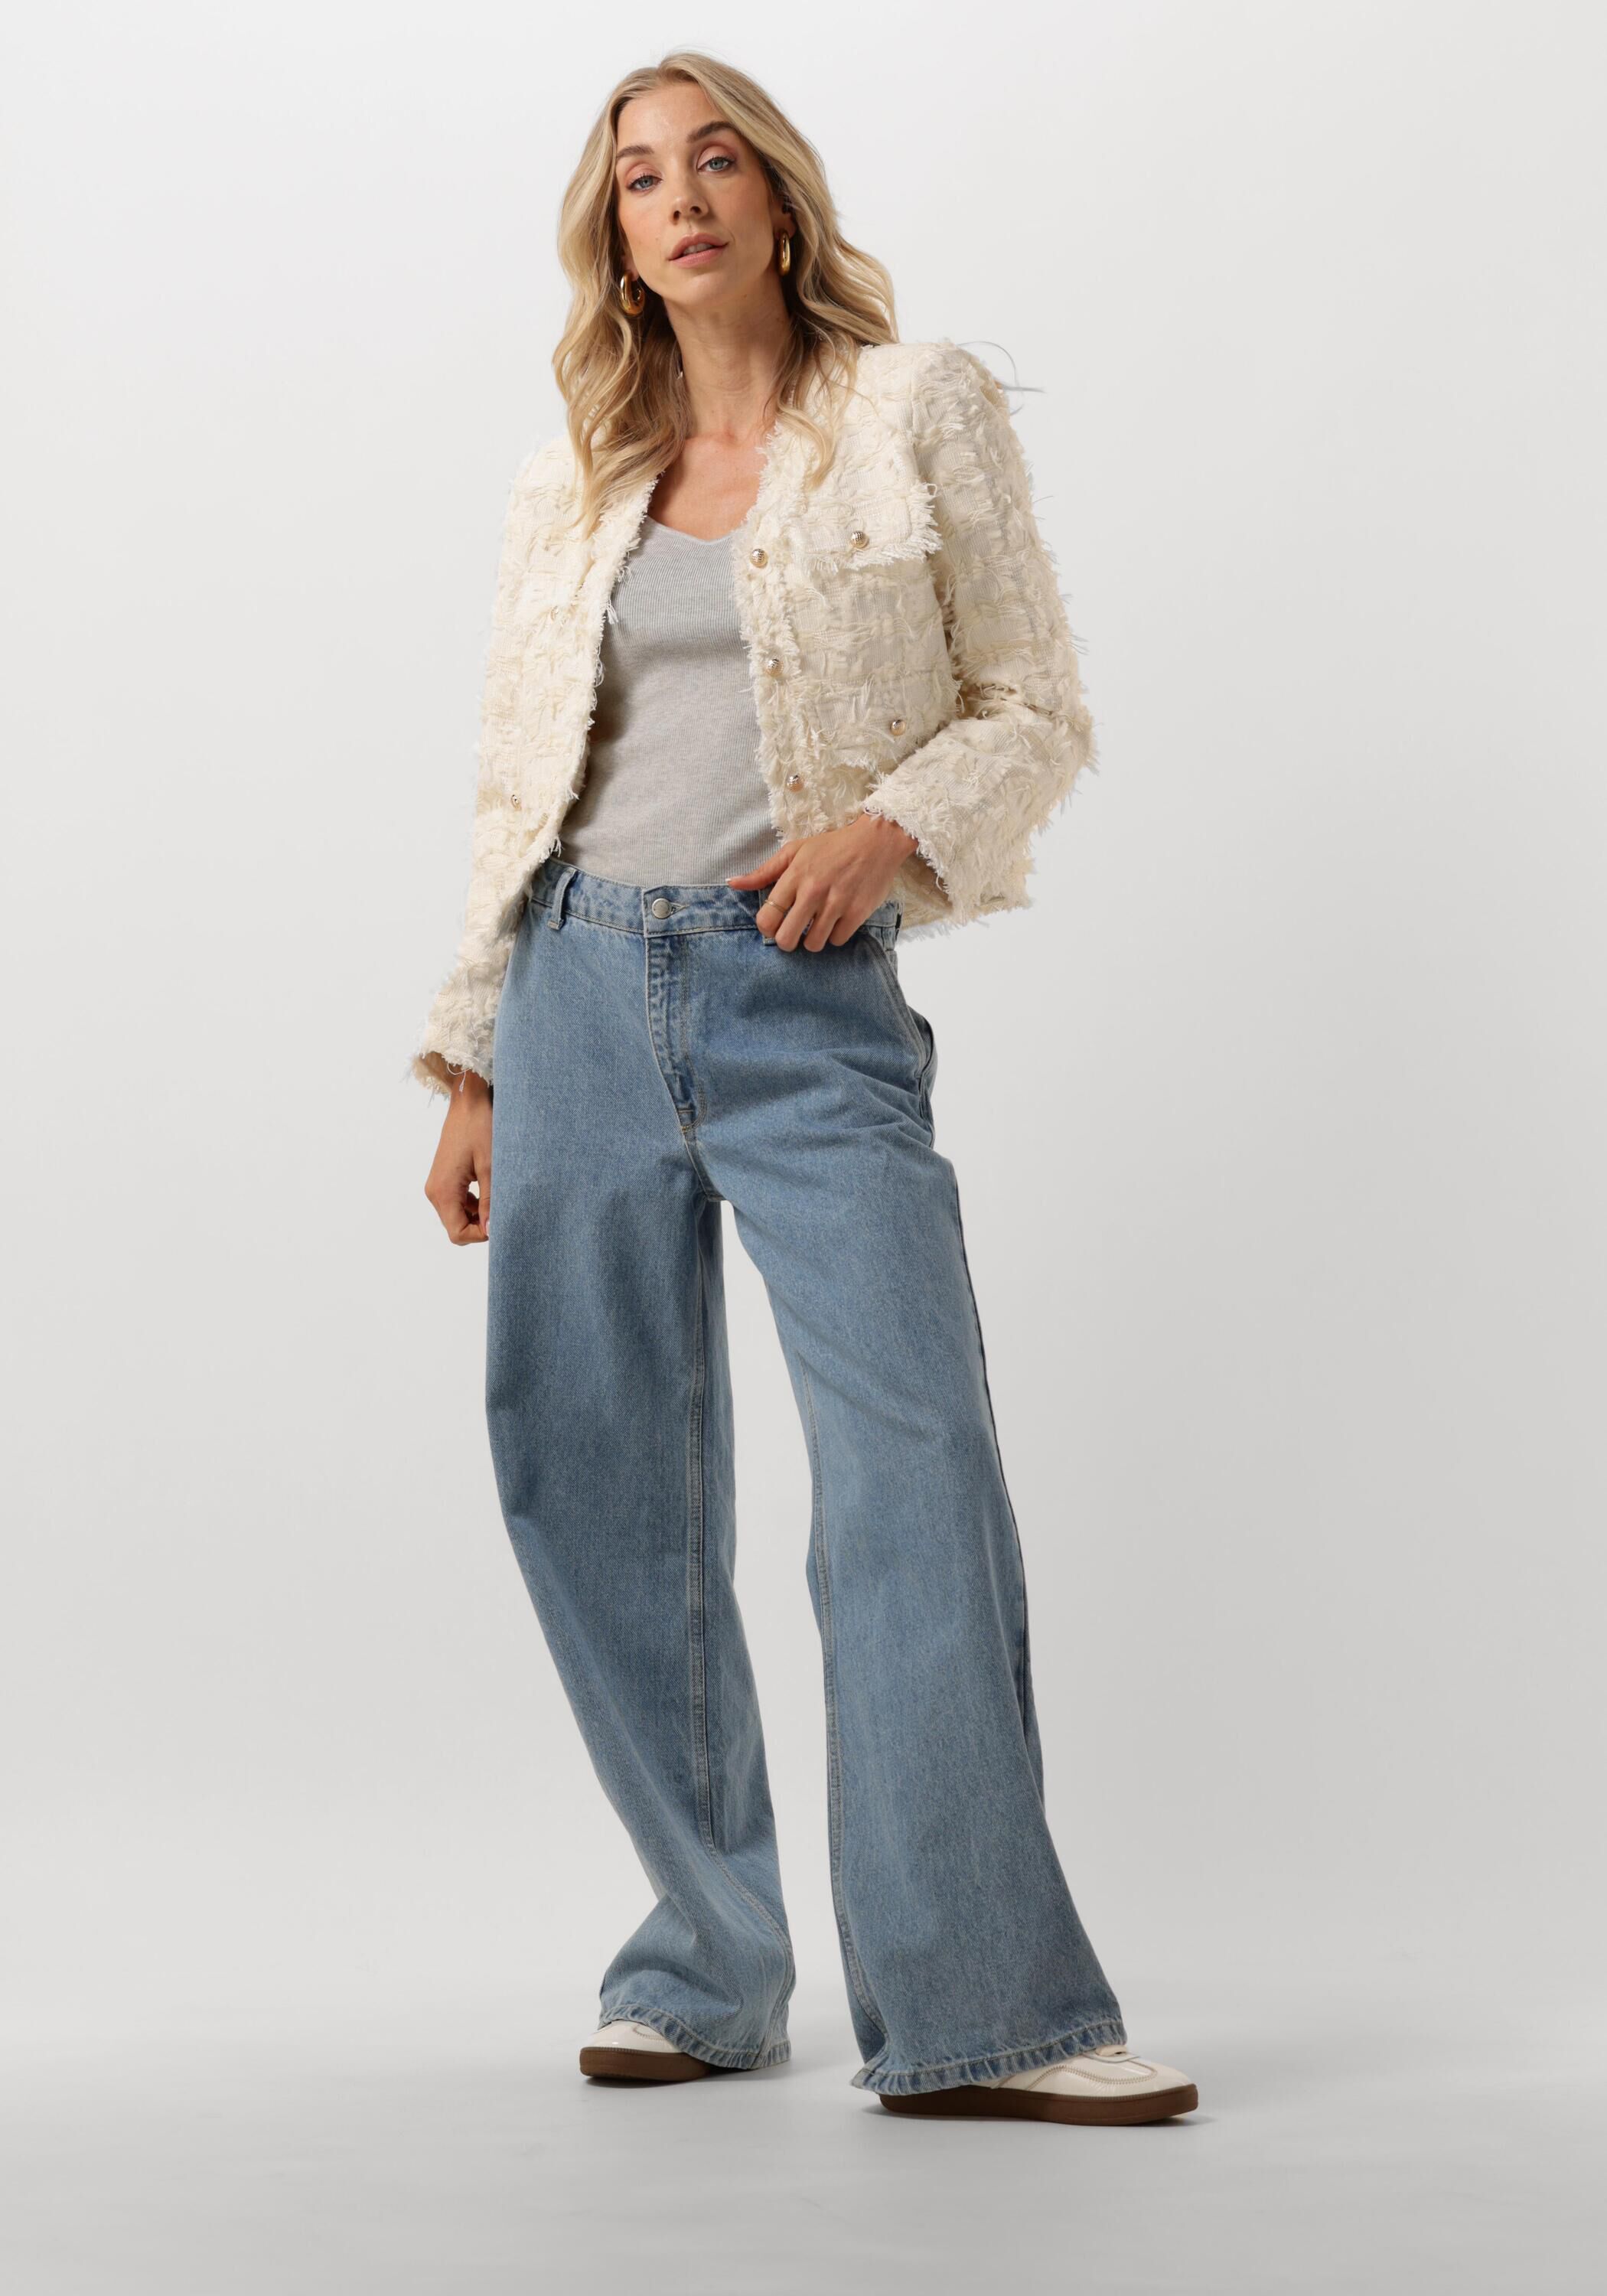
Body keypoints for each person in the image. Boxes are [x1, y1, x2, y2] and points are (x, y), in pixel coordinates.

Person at [412, 50, 1197, 2128]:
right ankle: (705, 1962)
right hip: (575, 992)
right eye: (637, 178)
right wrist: (474, 1057)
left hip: (803, 998)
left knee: (911, 1473)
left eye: (714, 161)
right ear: (615, 236)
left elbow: (1030, 700)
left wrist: (890, 826)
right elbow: (517, 782)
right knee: (593, 1481)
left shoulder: (912, 408)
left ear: (774, 196)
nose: (679, 198)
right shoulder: (579, 474)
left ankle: (985, 2010)